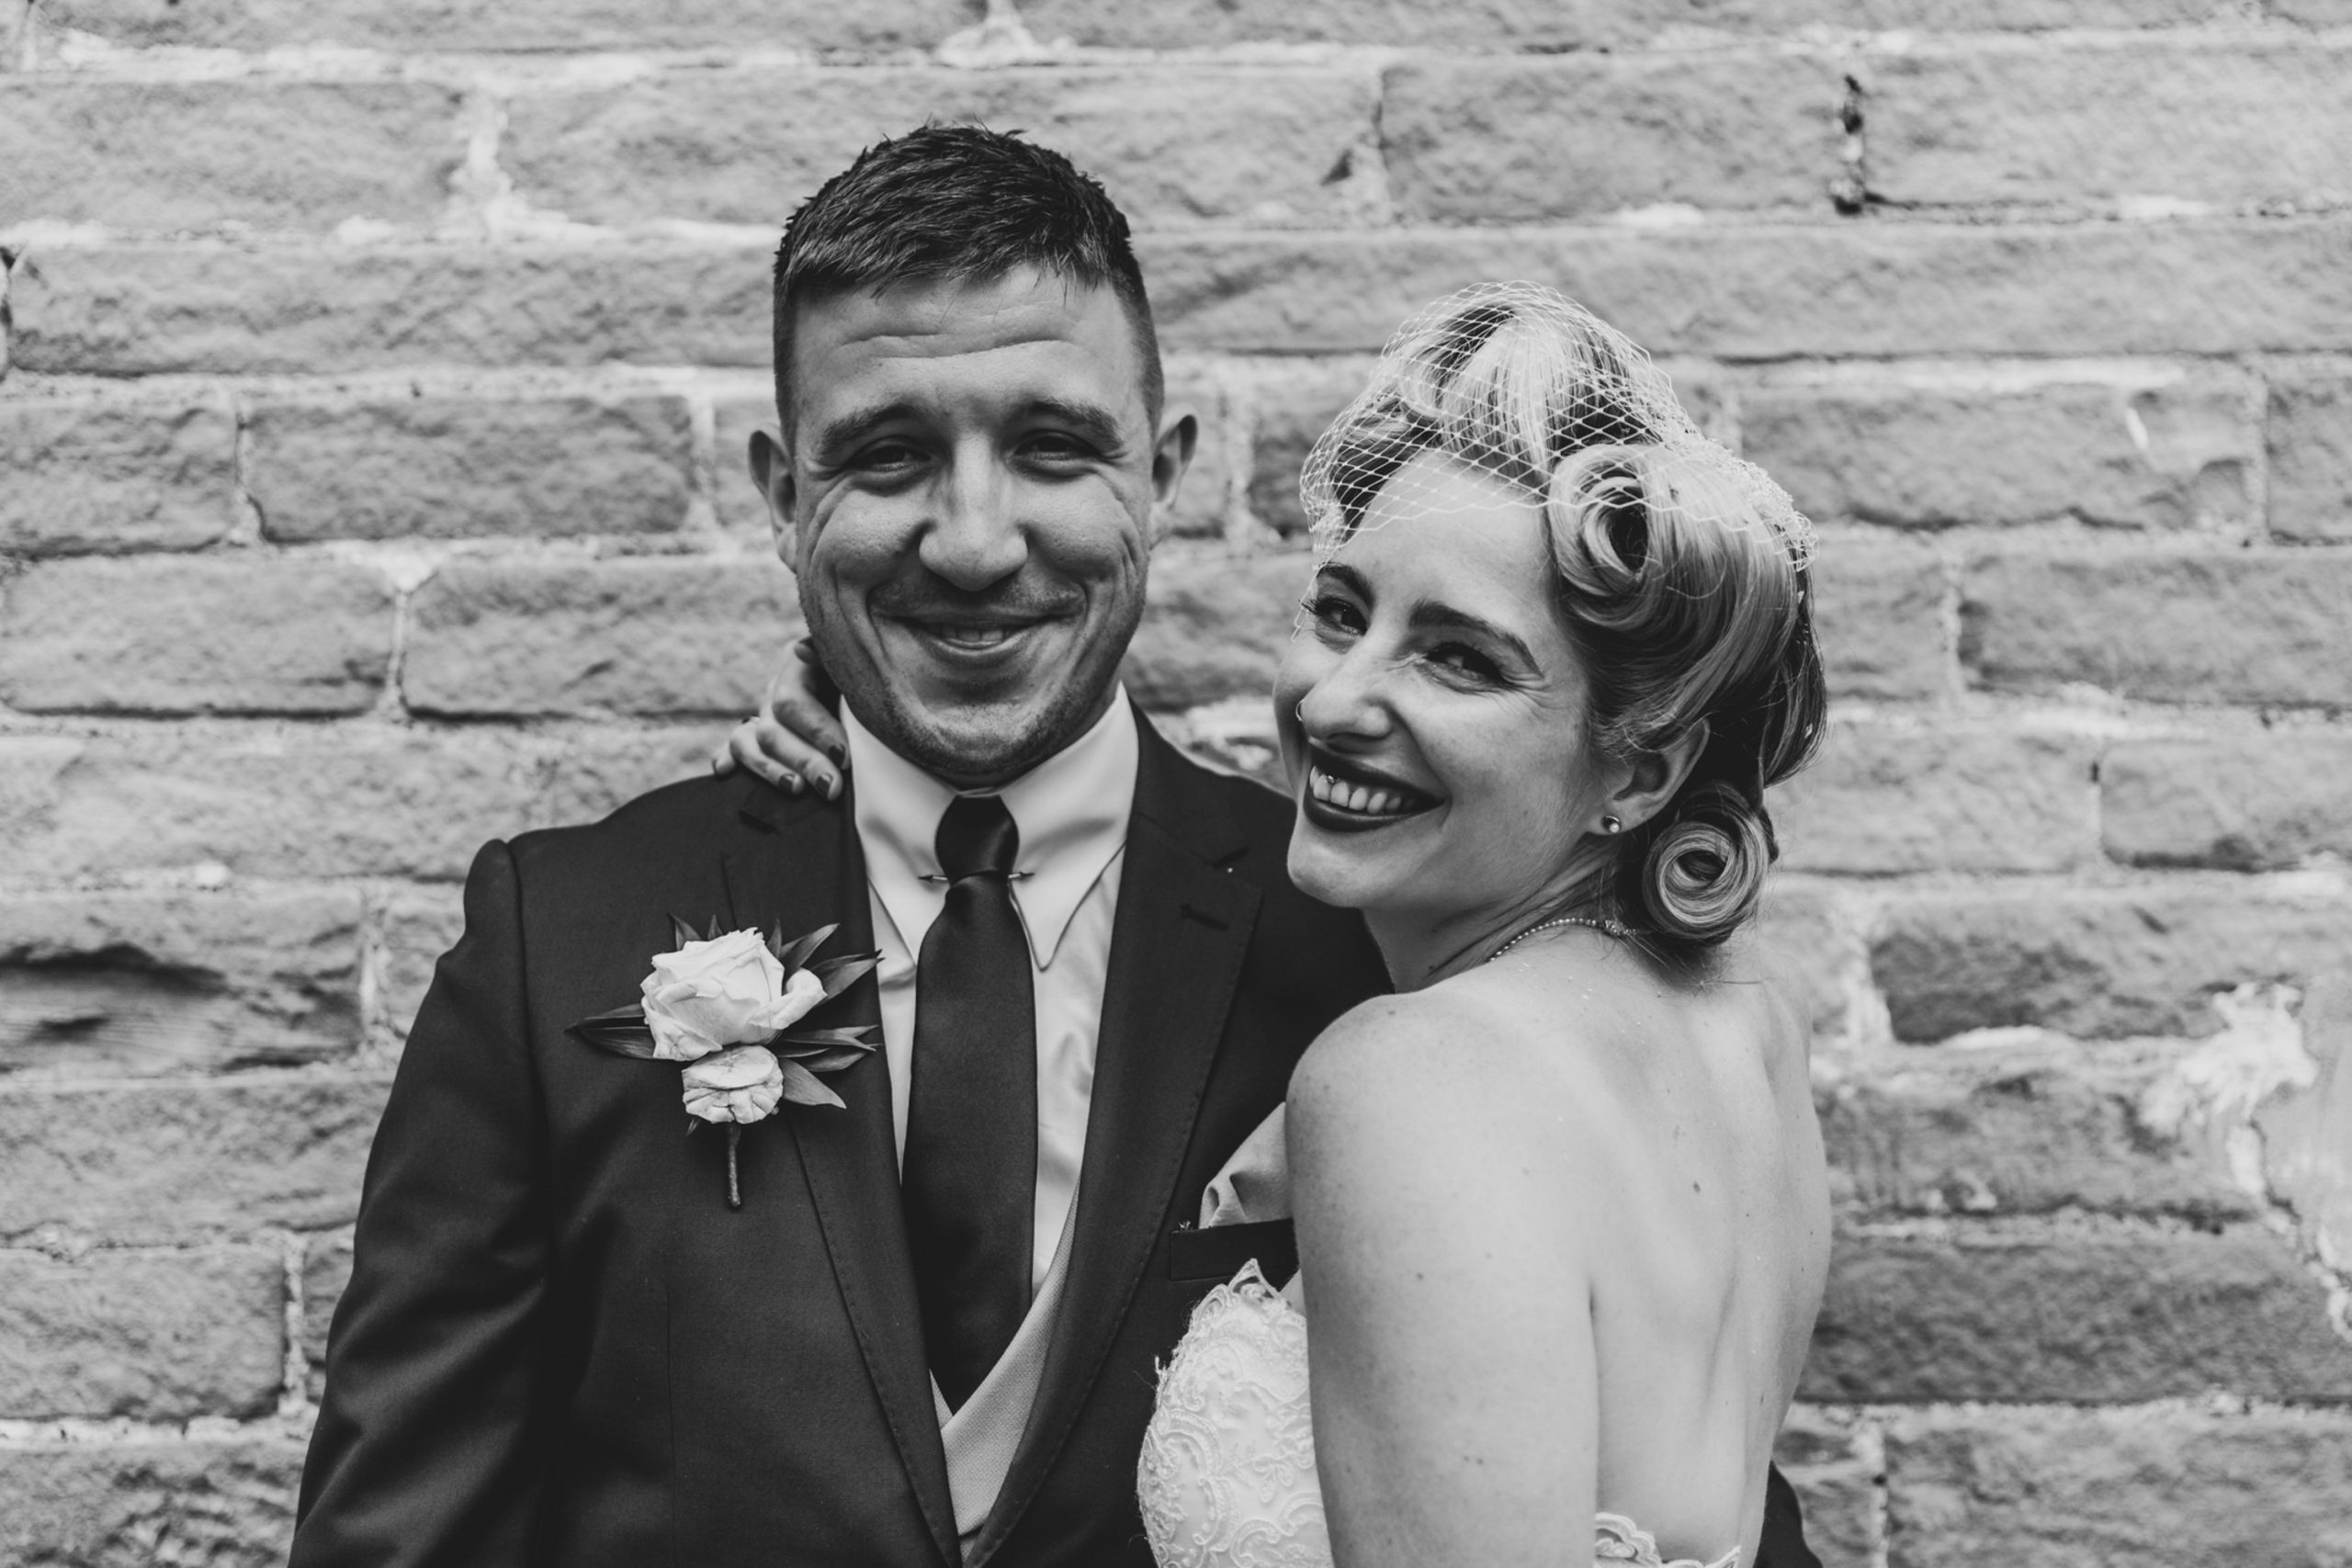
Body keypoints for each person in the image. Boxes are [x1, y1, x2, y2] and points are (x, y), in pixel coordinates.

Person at [298, 123, 1818, 1568]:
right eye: (886, 456)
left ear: (1161, 471)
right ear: (784, 497)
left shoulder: (1375, 942)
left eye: (1050, 447)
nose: (972, 540)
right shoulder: (553, 939)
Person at [730, 284, 1831, 1566]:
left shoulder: (1401, 1072)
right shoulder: (1747, 1034)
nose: (1336, 699)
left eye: (1460, 660)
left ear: (1642, 773)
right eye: (1344, 613)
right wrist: (869, 683)